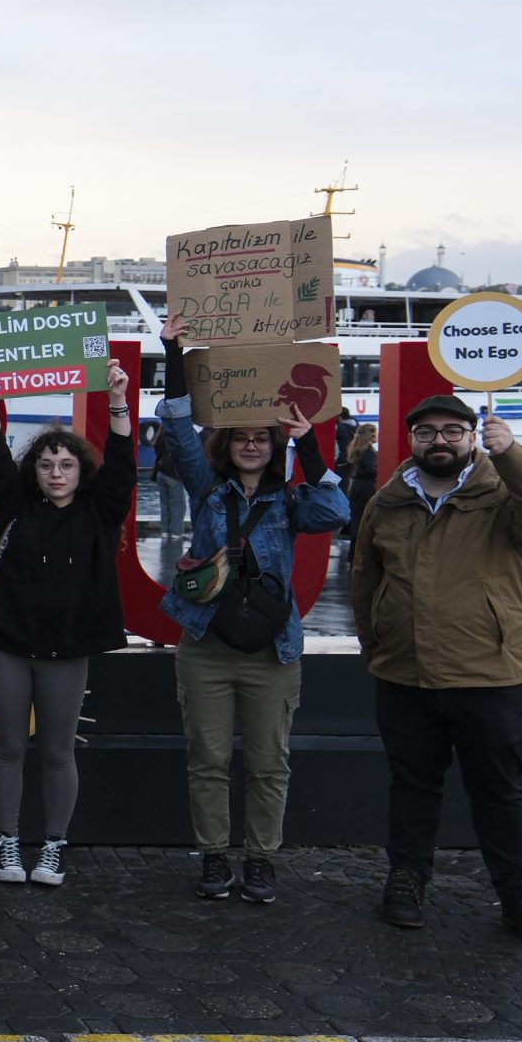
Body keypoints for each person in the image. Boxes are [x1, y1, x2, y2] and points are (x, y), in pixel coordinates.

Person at [355, 396, 522, 943]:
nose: (440, 441)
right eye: (427, 432)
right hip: (404, 674)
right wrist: (376, 645)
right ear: (411, 440)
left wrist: (514, 455)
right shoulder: (388, 501)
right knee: (412, 786)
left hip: (488, 674)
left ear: (473, 437)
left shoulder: (504, 494)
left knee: (499, 791)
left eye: (453, 431)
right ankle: (406, 879)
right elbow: (365, 580)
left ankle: (520, 894)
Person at [154, 316, 349, 906]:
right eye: (241, 436)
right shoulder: (205, 488)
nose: (251, 444)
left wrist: (309, 440)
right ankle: (214, 855)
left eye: (263, 437)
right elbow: (178, 426)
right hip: (206, 643)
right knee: (208, 759)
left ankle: (261, 860)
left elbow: (334, 511)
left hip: (272, 649)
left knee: (269, 763)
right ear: (227, 443)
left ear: (275, 444)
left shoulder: (291, 502)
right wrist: (174, 350)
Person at [0, 363, 135, 886]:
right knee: (10, 748)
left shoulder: (100, 510)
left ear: (80, 470)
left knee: (59, 752)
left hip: (68, 649)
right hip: (8, 644)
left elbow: (124, 463)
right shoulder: (13, 506)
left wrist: (116, 402)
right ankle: (7, 844)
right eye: (46, 464)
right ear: (35, 471)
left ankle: (53, 847)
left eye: (66, 464)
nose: (57, 472)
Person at [339, 425, 379, 539]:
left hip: (356, 487)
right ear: (371, 434)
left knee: (356, 521)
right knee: (364, 520)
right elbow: (371, 470)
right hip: (366, 488)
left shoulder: (356, 448)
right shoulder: (369, 451)